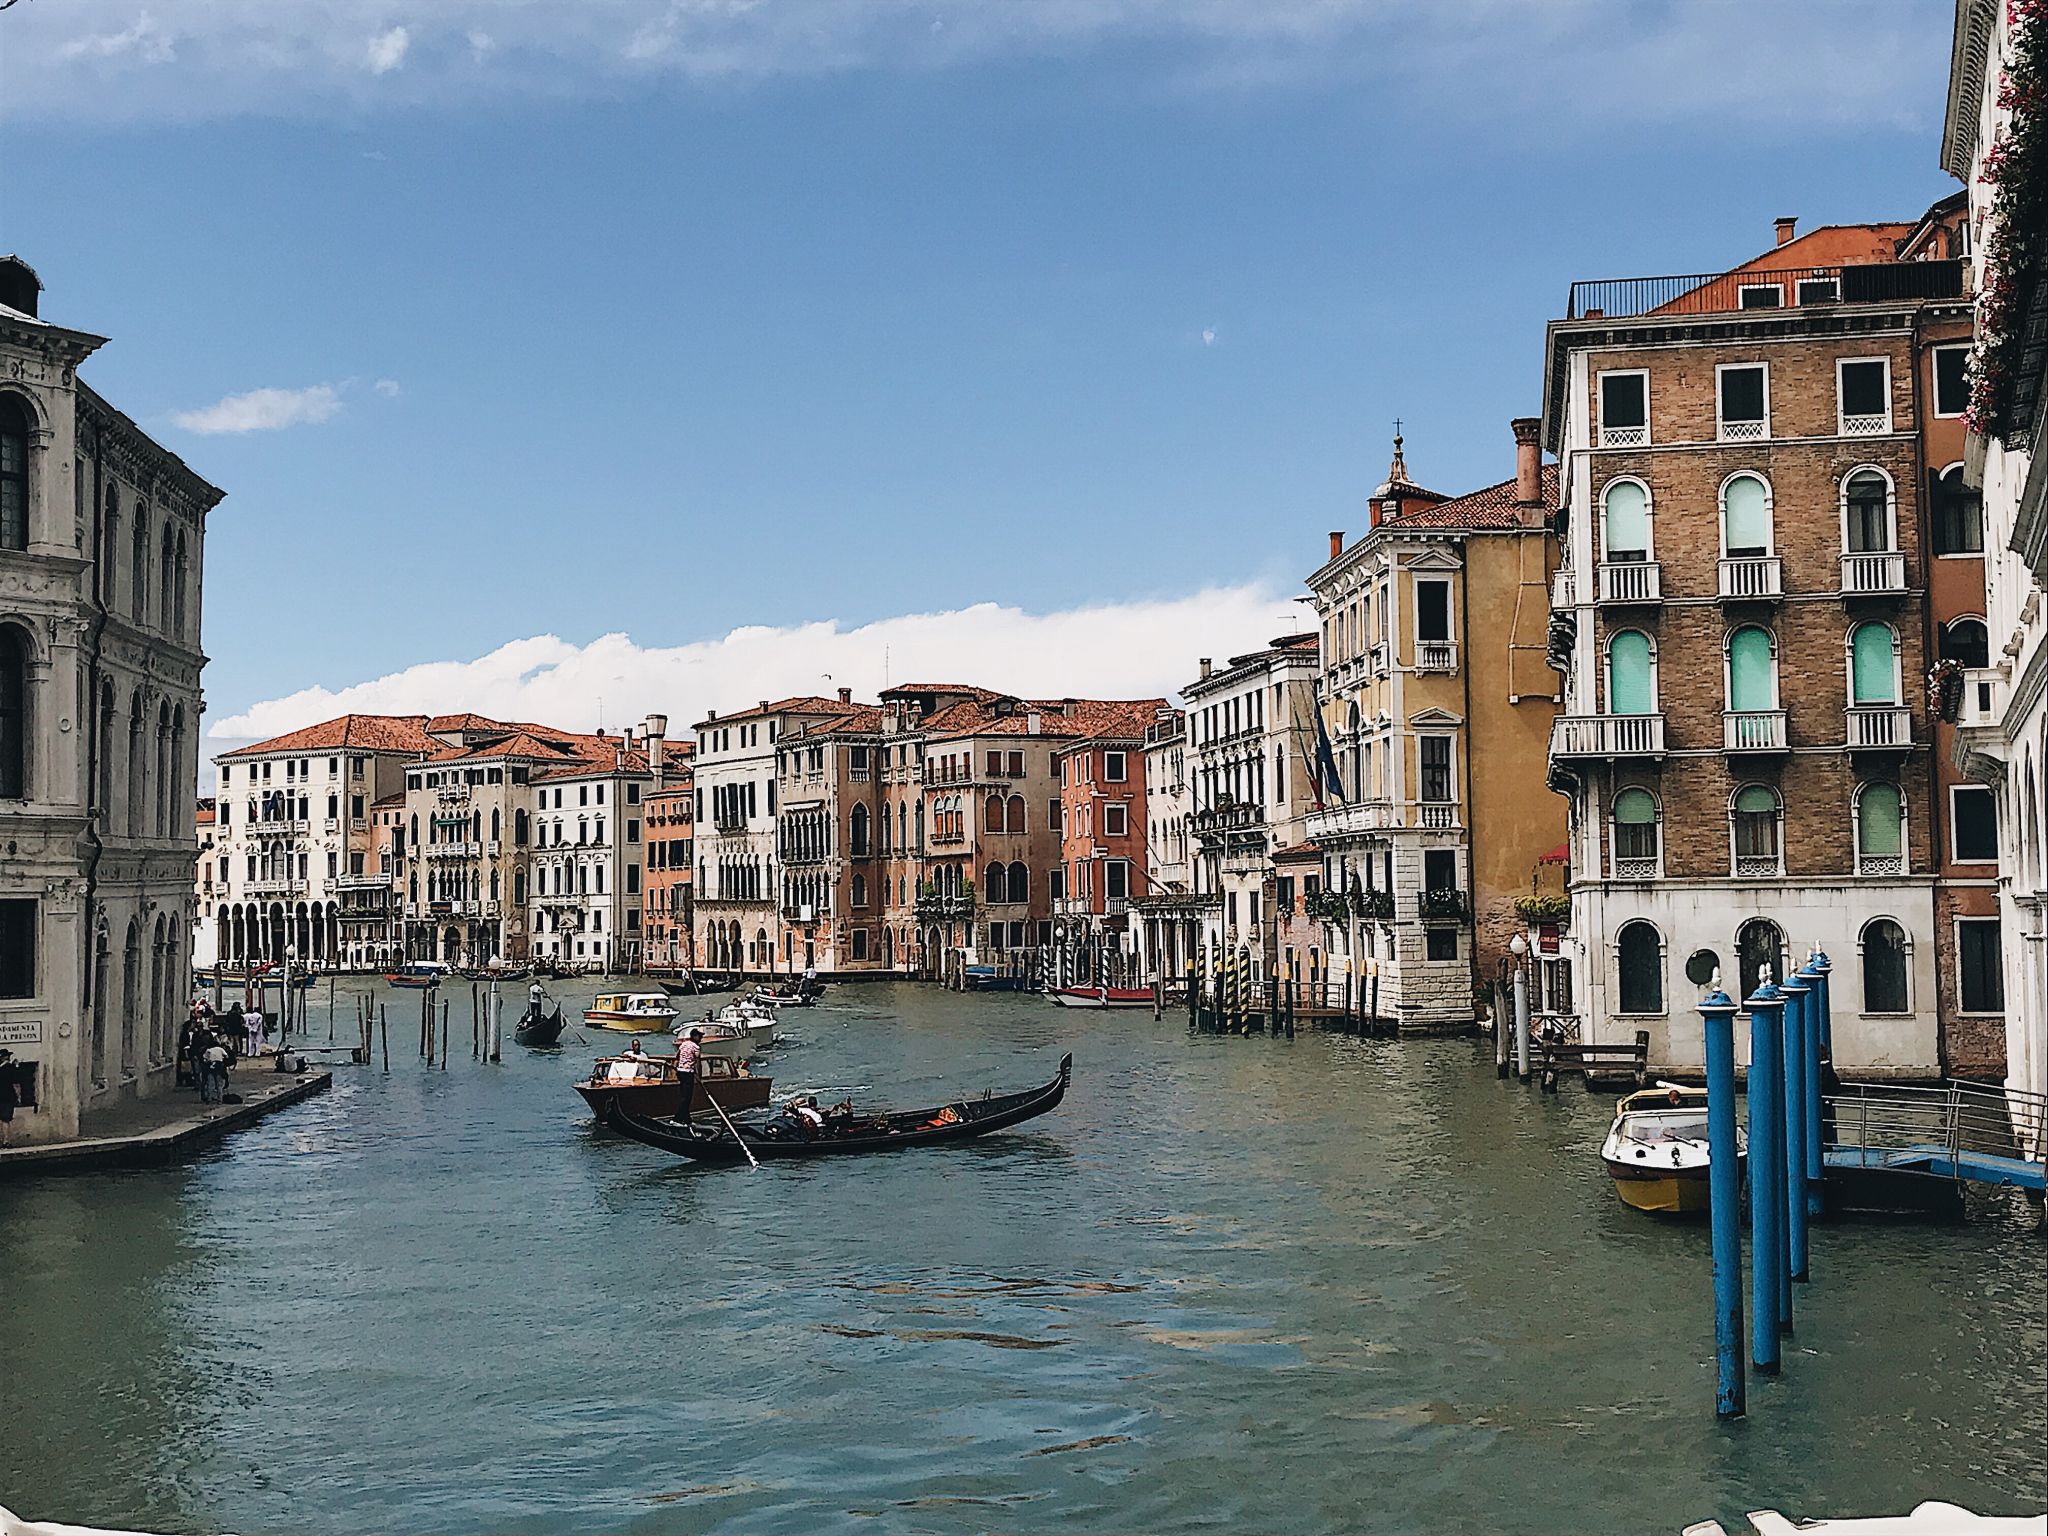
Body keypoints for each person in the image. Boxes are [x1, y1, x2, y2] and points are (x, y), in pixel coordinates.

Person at [673, 1026, 703, 1122]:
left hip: (680, 1072)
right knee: (687, 1098)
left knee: (684, 1096)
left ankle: (687, 1119)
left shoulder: (683, 1044)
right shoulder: (696, 1047)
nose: (701, 1039)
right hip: (687, 1073)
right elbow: (698, 1061)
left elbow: (677, 1056)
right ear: (694, 1036)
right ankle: (676, 1119)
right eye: (699, 1036)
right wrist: (699, 1076)